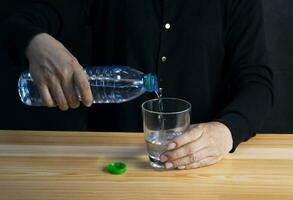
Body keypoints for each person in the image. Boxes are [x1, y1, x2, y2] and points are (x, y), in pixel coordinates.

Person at [1, 0, 273, 170]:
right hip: (108, 164)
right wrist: (33, 41)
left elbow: (258, 82)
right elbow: (17, 19)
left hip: (203, 167)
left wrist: (226, 132)